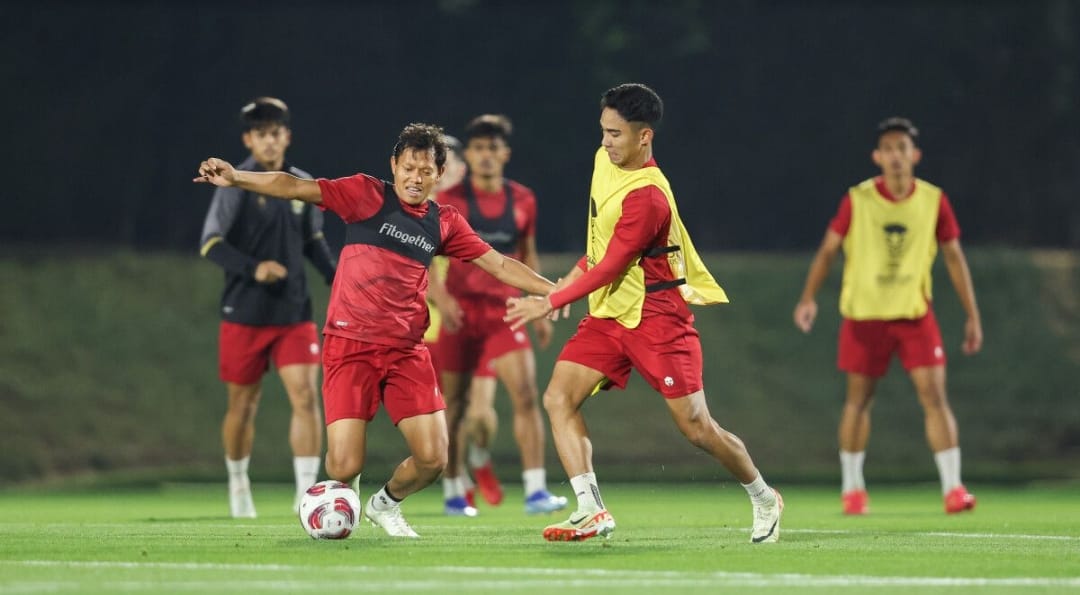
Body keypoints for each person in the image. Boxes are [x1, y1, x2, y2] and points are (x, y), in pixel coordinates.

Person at [195, 123, 560, 538]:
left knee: (433, 458)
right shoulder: (365, 194)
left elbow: (499, 264)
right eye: (408, 168)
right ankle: (329, 500)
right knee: (345, 465)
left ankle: (384, 504)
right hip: (350, 345)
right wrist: (237, 177)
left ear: (439, 174)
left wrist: (557, 293)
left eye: (425, 171)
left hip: (406, 351)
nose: (415, 178)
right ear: (393, 166)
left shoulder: (445, 223)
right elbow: (293, 186)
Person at [505, 83, 783, 543]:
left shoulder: (649, 196)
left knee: (696, 428)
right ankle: (591, 509)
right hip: (611, 315)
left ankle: (762, 495)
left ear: (645, 137)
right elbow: (597, 248)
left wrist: (552, 300)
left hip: (658, 317)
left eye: (615, 134)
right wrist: (568, 284)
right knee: (558, 398)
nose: (605, 142)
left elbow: (615, 262)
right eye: (603, 131)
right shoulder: (602, 162)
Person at [792, 117, 982, 515]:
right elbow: (828, 250)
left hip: (913, 314)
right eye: (889, 149)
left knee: (934, 397)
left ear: (916, 155)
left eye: (903, 148)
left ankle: (953, 488)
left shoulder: (932, 200)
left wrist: (972, 315)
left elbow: (953, 256)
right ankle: (853, 489)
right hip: (865, 316)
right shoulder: (858, 199)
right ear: (877, 157)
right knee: (858, 401)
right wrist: (808, 297)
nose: (896, 156)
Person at [198, 97, 337, 518]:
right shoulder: (233, 182)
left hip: (293, 313)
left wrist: (339, 278)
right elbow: (210, 243)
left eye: (276, 132)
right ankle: (239, 483)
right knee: (244, 405)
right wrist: (254, 268)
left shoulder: (299, 183)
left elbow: (313, 242)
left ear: (287, 136)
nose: (270, 139)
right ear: (249, 139)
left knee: (305, 398)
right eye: (261, 133)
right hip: (244, 313)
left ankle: (305, 495)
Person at [428, 115, 567, 517]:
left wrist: (539, 306)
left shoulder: (523, 199)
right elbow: (423, 255)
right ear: (468, 155)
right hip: (461, 314)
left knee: (525, 395)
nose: (486, 156)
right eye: (479, 149)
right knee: (454, 406)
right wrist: (440, 297)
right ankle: (454, 490)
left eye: (494, 149)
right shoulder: (449, 199)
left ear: (505, 154)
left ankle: (537, 491)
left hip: (505, 312)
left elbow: (526, 253)